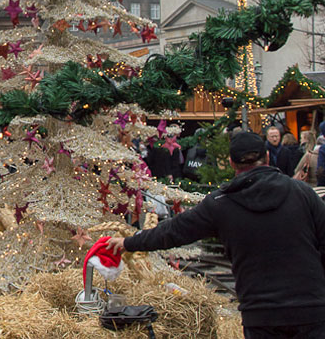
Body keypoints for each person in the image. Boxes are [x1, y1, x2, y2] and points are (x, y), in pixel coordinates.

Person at [107, 131, 325, 337]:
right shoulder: (302, 193)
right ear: (267, 156)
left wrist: (129, 242)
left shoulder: (222, 204)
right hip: (311, 307)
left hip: (260, 313)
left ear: (231, 163)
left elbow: (174, 231)